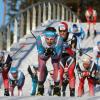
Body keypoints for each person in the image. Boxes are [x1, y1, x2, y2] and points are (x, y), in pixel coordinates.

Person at [36, 27, 63, 96]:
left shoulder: (59, 39)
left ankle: (57, 88)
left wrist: (53, 53)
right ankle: (40, 87)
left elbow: (57, 56)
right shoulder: (39, 39)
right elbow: (41, 56)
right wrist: (46, 53)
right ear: (44, 37)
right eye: (47, 39)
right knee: (41, 66)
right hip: (44, 52)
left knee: (56, 65)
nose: (49, 41)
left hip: (55, 52)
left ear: (55, 37)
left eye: (52, 39)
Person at [58, 22, 77, 96]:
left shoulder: (72, 37)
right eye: (61, 31)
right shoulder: (56, 38)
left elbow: (73, 51)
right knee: (60, 73)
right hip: (61, 57)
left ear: (67, 30)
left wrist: (68, 48)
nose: (62, 33)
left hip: (70, 56)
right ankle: (57, 91)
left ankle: (72, 92)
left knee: (71, 73)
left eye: (64, 31)